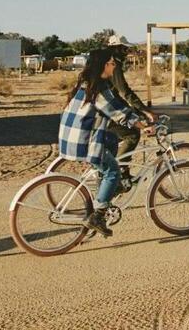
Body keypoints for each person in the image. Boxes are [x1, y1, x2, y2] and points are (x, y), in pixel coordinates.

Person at [58, 48, 149, 237]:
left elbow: (116, 106)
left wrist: (136, 117)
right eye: (111, 63)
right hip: (83, 141)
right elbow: (117, 111)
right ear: (104, 65)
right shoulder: (99, 88)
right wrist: (143, 125)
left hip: (71, 136)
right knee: (113, 171)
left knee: (112, 139)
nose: (114, 66)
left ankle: (106, 183)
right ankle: (98, 215)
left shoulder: (87, 83)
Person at [106, 35, 158, 187]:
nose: (126, 51)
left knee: (115, 138)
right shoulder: (112, 64)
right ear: (116, 48)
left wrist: (136, 111)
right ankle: (121, 172)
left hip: (104, 106)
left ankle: (120, 171)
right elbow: (125, 92)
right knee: (132, 134)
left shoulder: (106, 62)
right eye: (123, 48)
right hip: (105, 109)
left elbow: (118, 94)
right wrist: (145, 111)